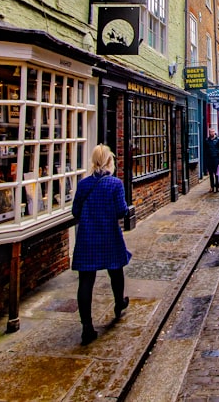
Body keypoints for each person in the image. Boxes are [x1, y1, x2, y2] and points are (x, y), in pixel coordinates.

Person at [72, 144, 132, 345]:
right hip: (108, 234)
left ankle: (87, 327)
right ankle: (118, 303)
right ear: (108, 162)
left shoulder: (83, 184)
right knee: (116, 271)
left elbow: (75, 211)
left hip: (87, 236)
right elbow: (121, 211)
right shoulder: (115, 184)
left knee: (86, 281)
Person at [205, 128, 219, 193]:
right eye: (210, 132)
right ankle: (212, 187)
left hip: (216, 158)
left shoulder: (218, 140)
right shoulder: (207, 140)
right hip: (209, 159)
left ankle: (217, 187)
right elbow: (205, 150)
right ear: (209, 133)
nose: (212, 133)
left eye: (213, 132)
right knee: (211, 174)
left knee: (217, 174)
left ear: (214, 132)